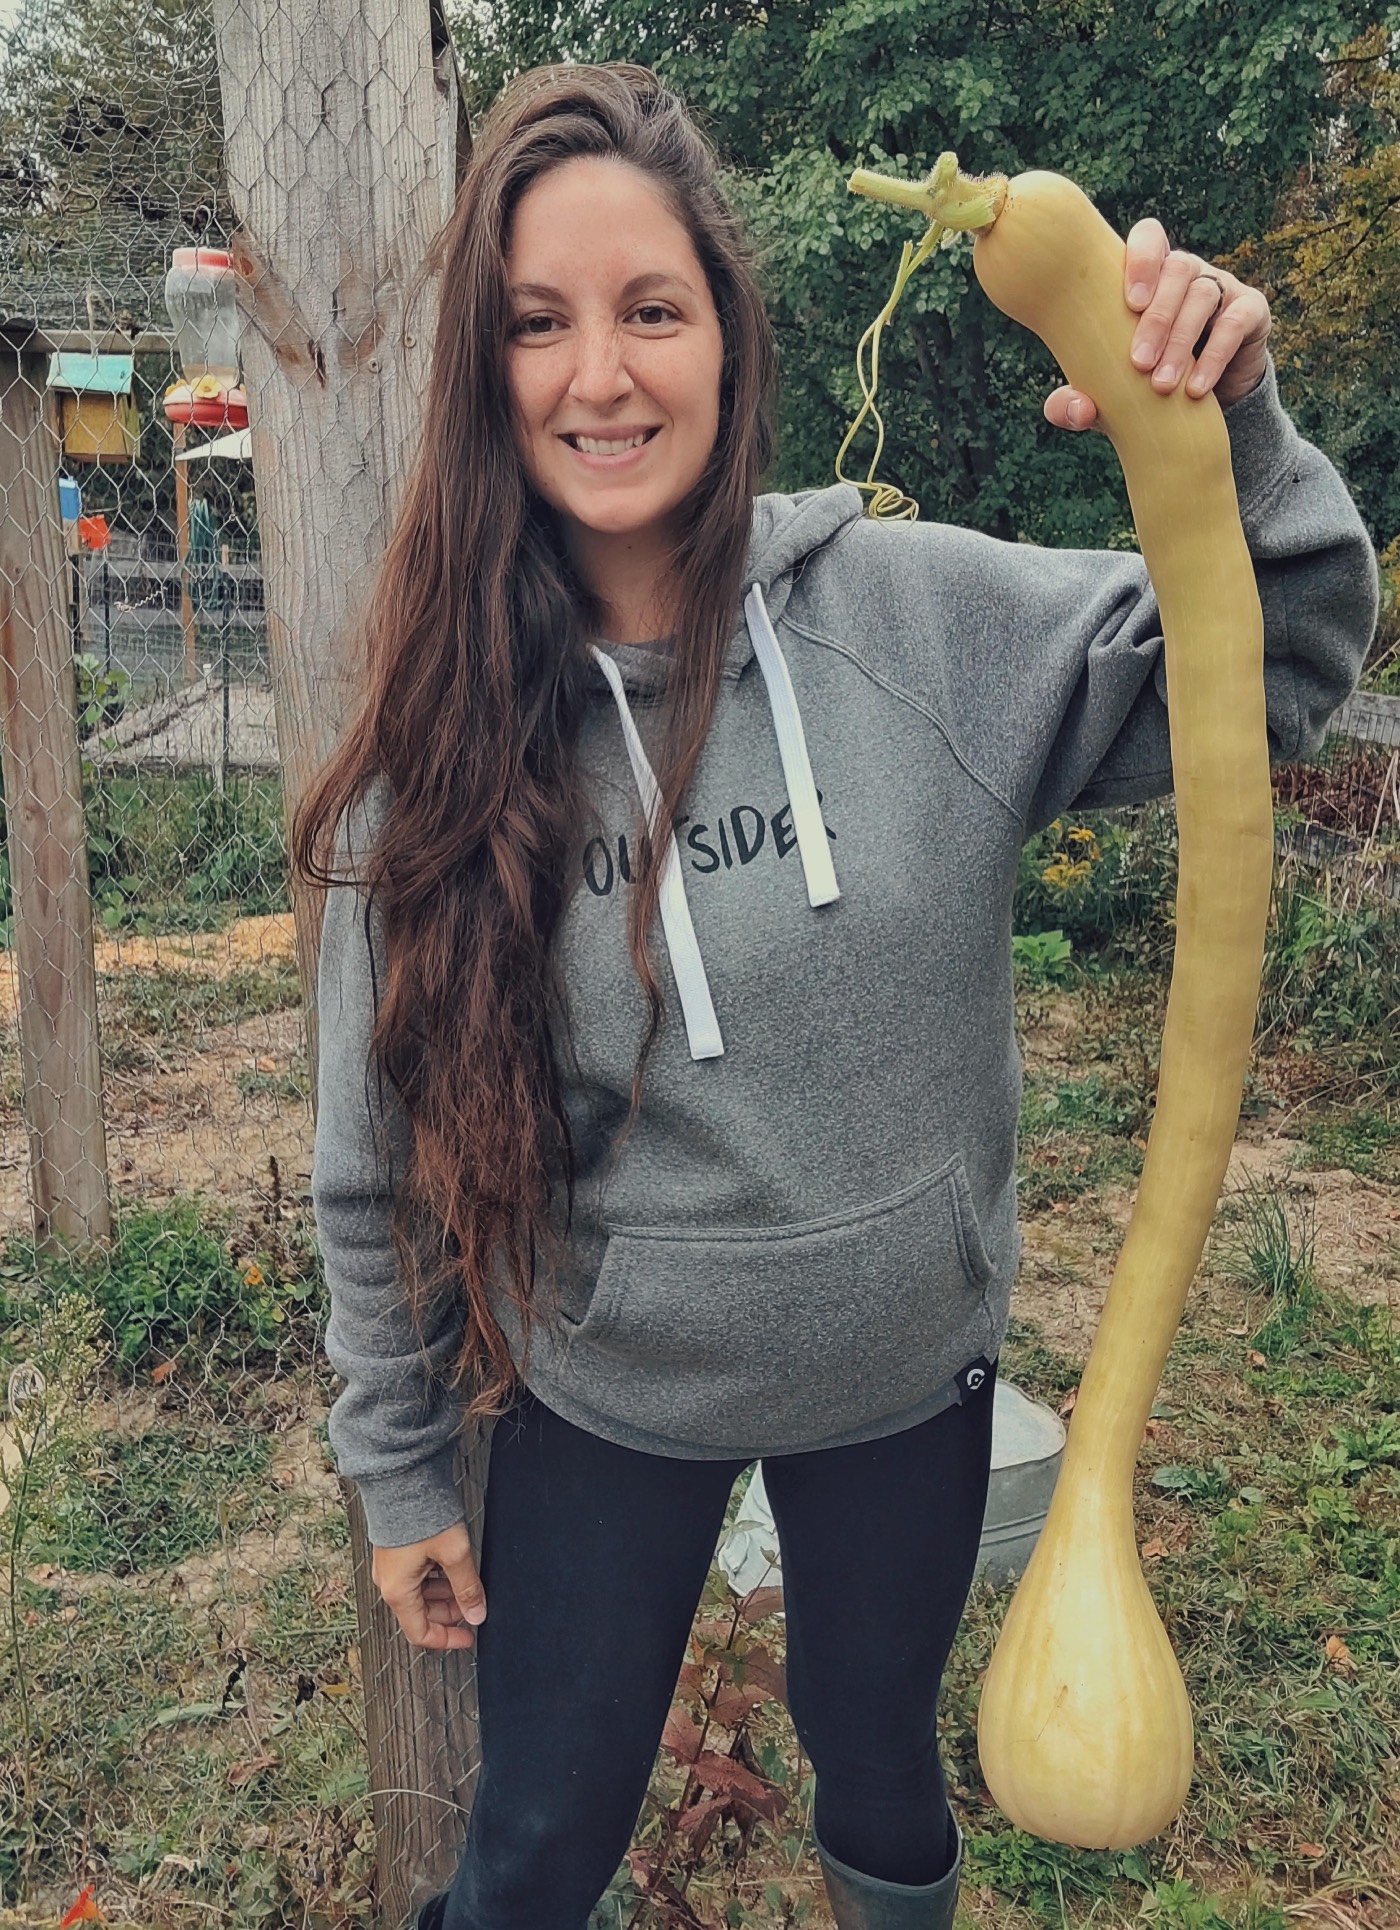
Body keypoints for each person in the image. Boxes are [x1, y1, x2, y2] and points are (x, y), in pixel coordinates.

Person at [297, 60, 1378, 1930]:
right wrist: (400, 1466)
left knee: (879, 1765)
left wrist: (1227, 417)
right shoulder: (440, 748)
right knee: (539, 1840)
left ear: (727, 330)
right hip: (606, 1400)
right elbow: (372, 1156)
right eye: (540, 325)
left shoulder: (916, 622)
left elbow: (1270, 670)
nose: (602, 374)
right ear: (486, 371)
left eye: (652, 310)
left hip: (902, 1379)